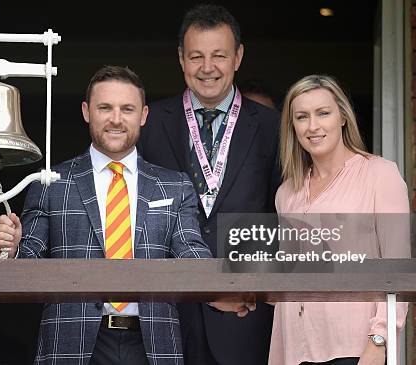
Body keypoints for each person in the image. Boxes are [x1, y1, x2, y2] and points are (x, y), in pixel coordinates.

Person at [0, 65, 252, 365]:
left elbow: (191, 255)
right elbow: (27, 265)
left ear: (143, 115)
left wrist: (226, 289)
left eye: (127, 109)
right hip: (71, 343)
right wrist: (8, 246)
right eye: (105, 108)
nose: (116, 119)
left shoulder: (175, 185)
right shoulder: (50, 182)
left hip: (152, 345)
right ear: (87, 111)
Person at [137, 4, 281, 365]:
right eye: (196, 56)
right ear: (181, 59)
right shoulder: (149, 124)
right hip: (165, 315)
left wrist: (251, 289)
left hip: (244, 316)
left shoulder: (273, 127)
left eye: (219, 55)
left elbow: (285, 217)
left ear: (238, 57)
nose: (207, 67)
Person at [270, 74, 410, 365]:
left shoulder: (380, 176)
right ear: (292, 126)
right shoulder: (287, 194)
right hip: (295, 349)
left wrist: (380, 339)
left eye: (323, 113)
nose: (313, 126)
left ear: (343, 117)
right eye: (302, 116)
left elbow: (399, 269)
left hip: (355, 349)